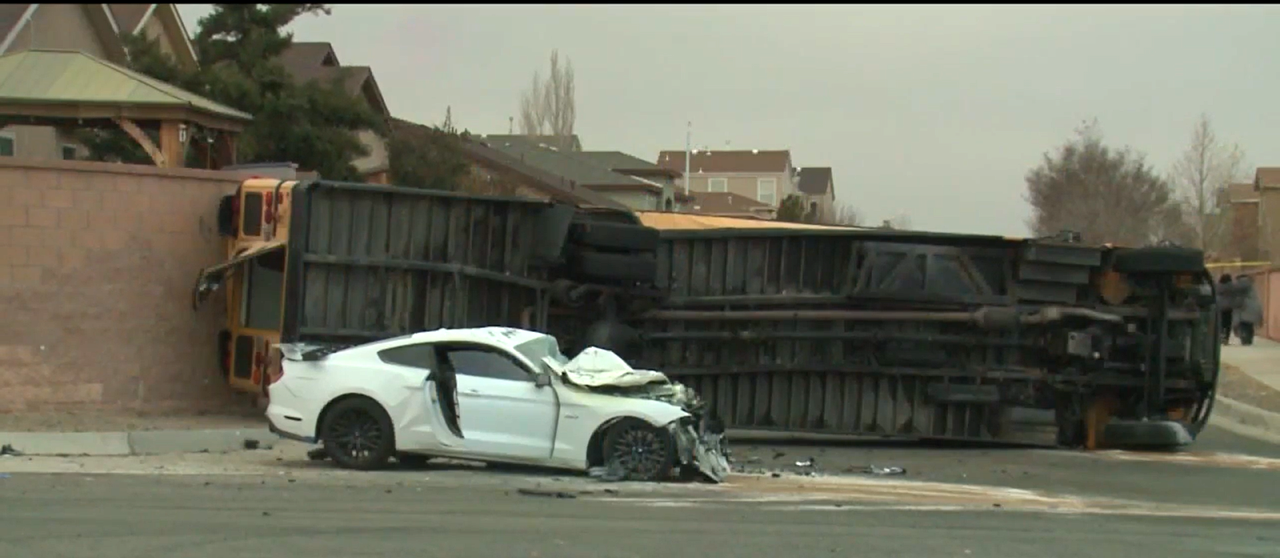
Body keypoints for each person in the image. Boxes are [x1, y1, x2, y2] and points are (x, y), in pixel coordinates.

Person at [1220, 274, 1263, 346]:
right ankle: (1248, 340)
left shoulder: (1242, 284)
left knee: (1244, 325)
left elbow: (1233, 293)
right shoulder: (1249, 285)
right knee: (1248, 325)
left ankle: (1245, 340)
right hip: (1250, 309)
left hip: (1246, 308)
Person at [1218, 273, 1234, 345]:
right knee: (1228, 324)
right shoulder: (1232, 286)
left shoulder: (1217, 286)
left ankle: (1220, 337)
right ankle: (1226, 339)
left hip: (1219, 307)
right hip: (1229, 307)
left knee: (1220, 323)